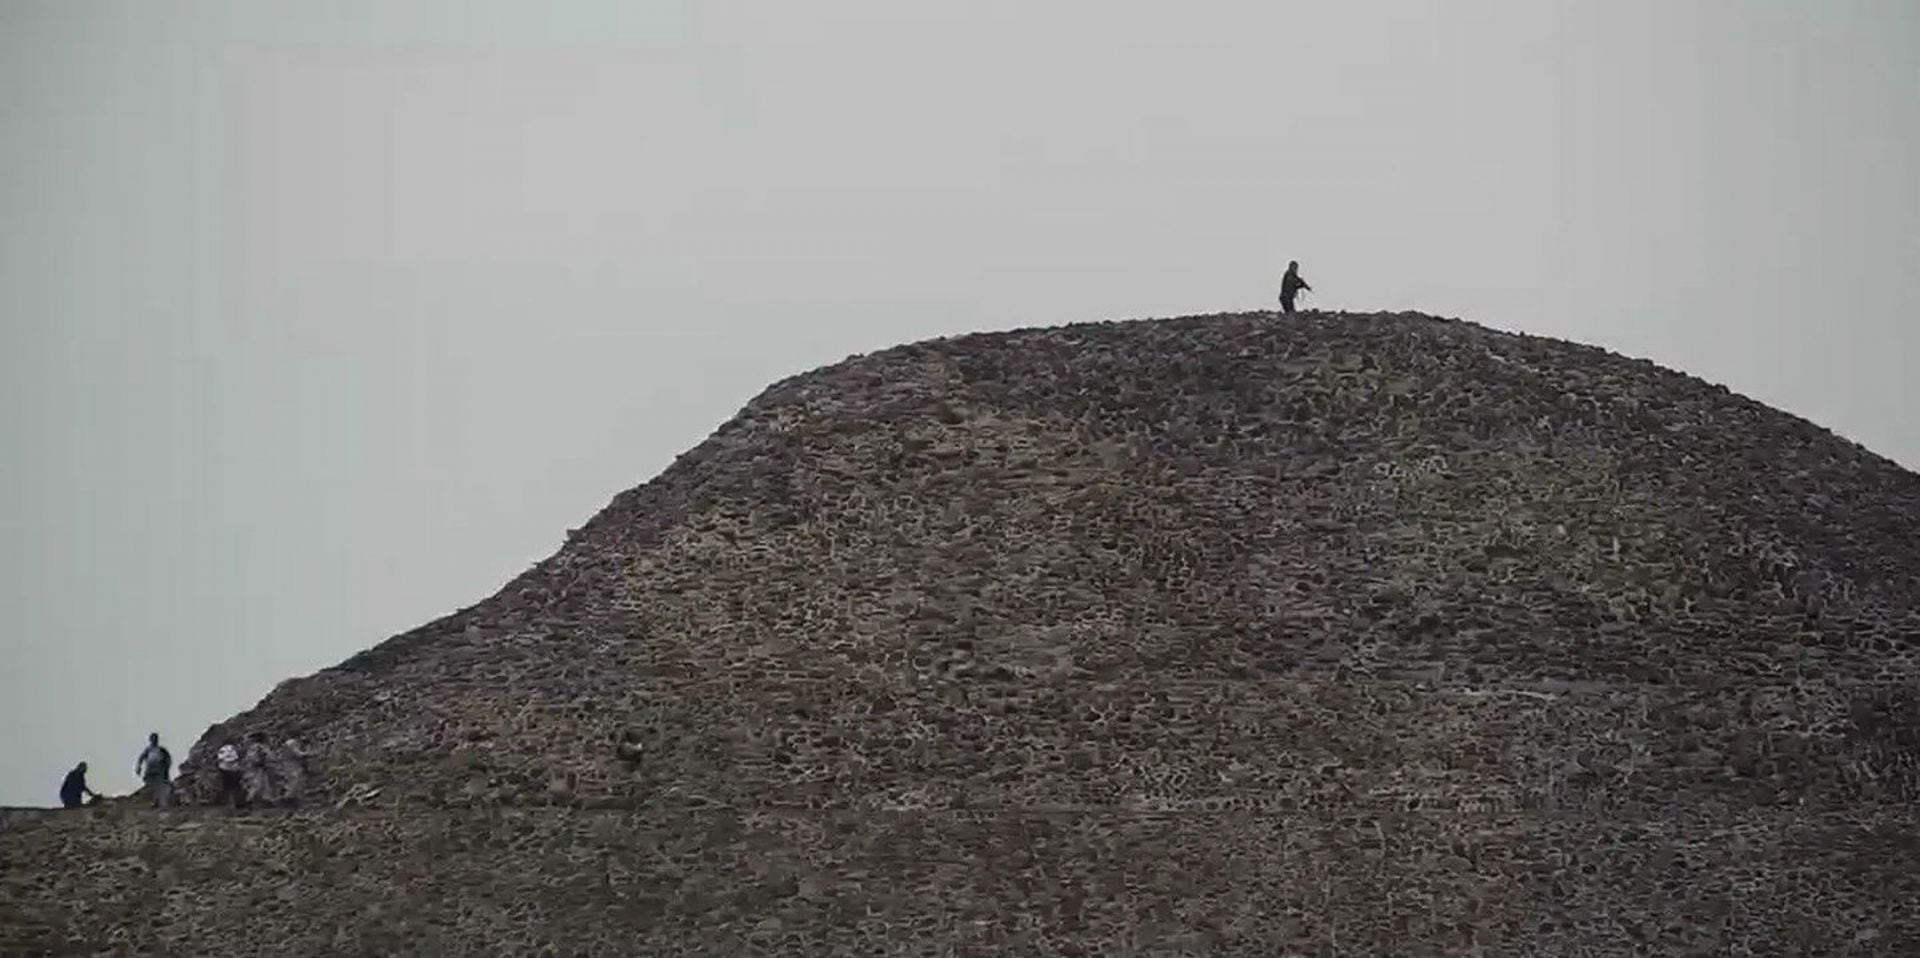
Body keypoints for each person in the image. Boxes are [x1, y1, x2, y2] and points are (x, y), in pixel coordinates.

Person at [135, 733, 173, 808]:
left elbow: (168, 759)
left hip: (159, 770)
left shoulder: (161, 750)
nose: (154, 741)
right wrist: (138, 768)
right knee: (150, 786)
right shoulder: (148, 750)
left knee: (159, 786)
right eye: (152, 739)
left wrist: (166, 769)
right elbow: (141, 758)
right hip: (150, 770)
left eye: (155, 739)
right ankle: (153, 801)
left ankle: (160, 802)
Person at [276, 733, 312, 806]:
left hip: (293, 763)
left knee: (298, 780)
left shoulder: (294, 743)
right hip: (289, 764)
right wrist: (308, 753)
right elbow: (298, 754)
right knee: (294, 779)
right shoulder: (291, 743)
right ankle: (287, 798)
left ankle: (293, 797)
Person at [243, 732, 277, 806]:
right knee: (257, 784)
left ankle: (266, 800)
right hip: (257, 767)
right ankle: (249, 800)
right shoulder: (257, 747)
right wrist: (260, 762)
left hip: (262, 766)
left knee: (265, 783)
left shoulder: (262, 746)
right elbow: (253, 757)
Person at [215, 740, 248, 809]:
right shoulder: (235, 748)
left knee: (228, 787)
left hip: (224, 769)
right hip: (234, 769)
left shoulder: (223, 749)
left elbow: (220, 758)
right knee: (236, 787)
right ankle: (238, 803)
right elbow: (237, 758)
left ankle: (230, 803)